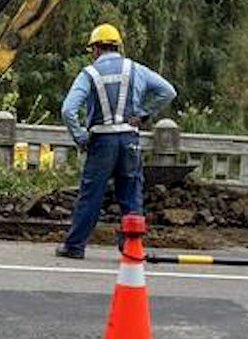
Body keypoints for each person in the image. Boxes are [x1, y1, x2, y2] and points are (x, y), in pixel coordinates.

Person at [56, 24, 176, 260]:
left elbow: (68, 110)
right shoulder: (136, 69)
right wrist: (143, 114)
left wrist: (80, 137)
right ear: (118, 46)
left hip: (101, 140)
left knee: (91, 195)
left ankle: (75, 246)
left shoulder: (88, 74)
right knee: (131, 193)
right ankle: (131, 246)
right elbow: (168, 91)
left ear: (96, 49)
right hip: (129, 139)